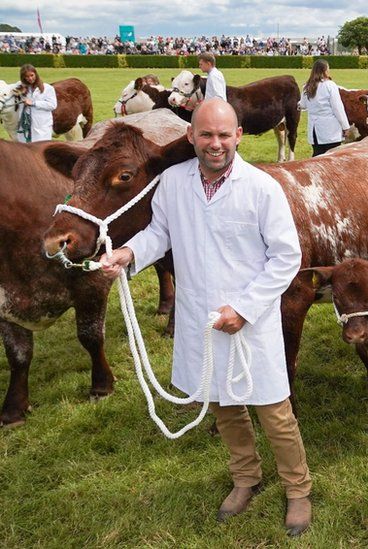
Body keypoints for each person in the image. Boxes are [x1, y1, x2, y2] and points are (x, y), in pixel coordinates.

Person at [98, 99, 312, 536]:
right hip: (203, 316)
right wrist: (129, 252)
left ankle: (297, 489)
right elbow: (160, 231)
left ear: (238, 136)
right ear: (192, 136)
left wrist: (246, 309)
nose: (215, 143)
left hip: (251, 320)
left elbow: (286, 257)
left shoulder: (261, 187)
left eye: (223, 135)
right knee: (224, 405)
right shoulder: (174, 182)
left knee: (274, 411)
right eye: (206, 134)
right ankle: (245, 479)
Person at [299, 59, 350, 157]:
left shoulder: (307, 86)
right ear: (325, 70)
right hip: (330, 130)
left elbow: (303, 105)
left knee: (317, 156)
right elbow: (338, 108)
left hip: (314, 130)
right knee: (331, 158)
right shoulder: (330, 85)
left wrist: (297, 105)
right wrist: (345, 127)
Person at [13, 64, 57, 143]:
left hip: (42, 126)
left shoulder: (47, 88)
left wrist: (34, 103)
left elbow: (52, 105)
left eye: (32, 75)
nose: (30, 78)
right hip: (25, 126)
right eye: (27, 76)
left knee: (40, 150)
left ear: (35, 74)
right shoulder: (20, 87)